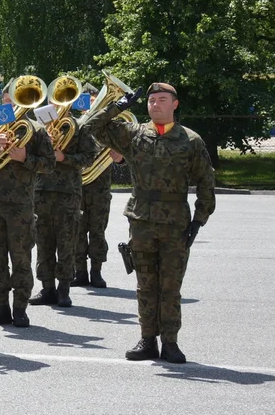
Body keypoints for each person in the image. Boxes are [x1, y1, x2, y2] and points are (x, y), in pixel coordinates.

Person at [80, 82, 215, 364]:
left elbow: (205, 182)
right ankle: (147, 339)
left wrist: (199, 220)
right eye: (151, 100)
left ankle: (171, 342)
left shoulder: (190, 140)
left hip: (176, 220)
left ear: (175, 104)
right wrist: (120, 105)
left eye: (162, 99)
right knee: (145, 284)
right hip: (141, 219)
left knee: (170, 285)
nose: (155, 104)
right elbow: (89, 127)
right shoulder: (134, 134)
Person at [0, 88, 53, 328]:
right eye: (7, 101)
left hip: (21, 204)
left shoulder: (37, 130)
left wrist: (25, 158)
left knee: (21, 258)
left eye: (16, 101)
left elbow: (50, 165)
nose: (12, 106)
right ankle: (0, 306)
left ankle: (20, 308)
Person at [32, 105, 97, 308]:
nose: (59, 105)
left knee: (67, 243)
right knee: (44, 243)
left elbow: (89, 157)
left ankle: (64, 290)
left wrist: (64, 158)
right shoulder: (40, 126)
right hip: (41, 190)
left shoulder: (79, 127)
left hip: (67, 193)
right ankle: (47, 288)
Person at [72, 84, 121, 289]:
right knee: (77, 230)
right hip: (78, 185)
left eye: (96, 102)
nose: (92, 107)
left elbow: (125, 152)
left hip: (100, 187)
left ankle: (96, 272)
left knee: (98, 231)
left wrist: (120, 157)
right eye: (89, 102)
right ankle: (80, 272)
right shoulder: (75, 125)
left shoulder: (110, 128)